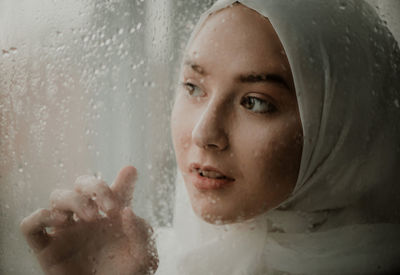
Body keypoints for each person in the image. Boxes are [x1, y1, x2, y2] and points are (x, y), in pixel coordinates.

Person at [20, 0, 400, 274]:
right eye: (193, 86)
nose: (204, 133)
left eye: (255, 102)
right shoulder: (165, 261)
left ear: (344, 128)